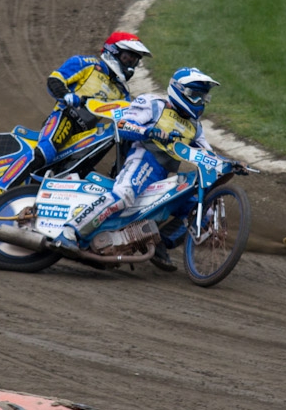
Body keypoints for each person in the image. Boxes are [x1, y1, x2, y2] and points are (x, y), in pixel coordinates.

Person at [54, 67, 218, 272]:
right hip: (143, 159)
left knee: (204, 211)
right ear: (179, 90)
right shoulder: (153, 104)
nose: (200, 102)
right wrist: (149, 132)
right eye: (195, 95)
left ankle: (159, 242)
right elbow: (123, 125)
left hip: (165, 177)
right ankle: (69, 232)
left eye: (203, 97)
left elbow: (208, 155)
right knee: (124, 195)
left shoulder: (195, 127)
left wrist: (231, 164)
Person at [32, 31, 152, 171]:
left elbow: (126, 120)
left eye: (134, 62)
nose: (130, 67)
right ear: (113, 51)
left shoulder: (122, 92)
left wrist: (146, 131)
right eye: (127, 59)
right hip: (65, 116)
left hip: (86, 134)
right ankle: (8, 182)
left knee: (83, 171)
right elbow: (55, 80)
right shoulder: (86, 64)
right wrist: (66, 95)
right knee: (45, 153)